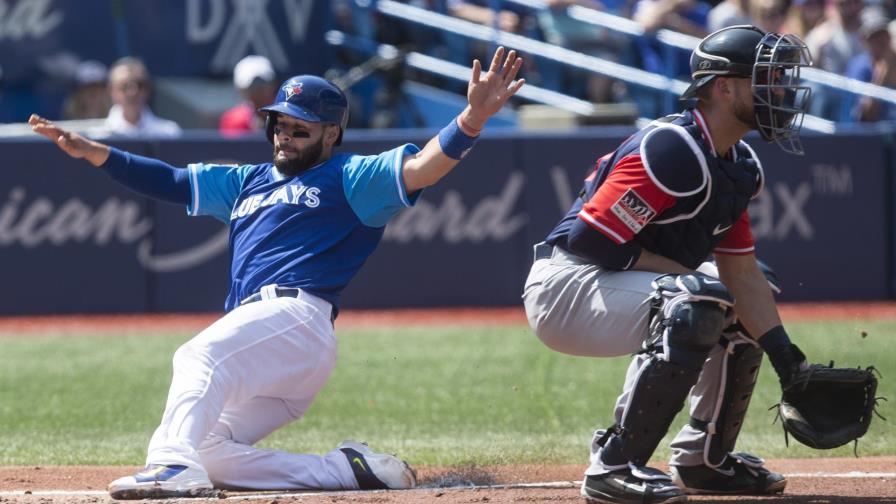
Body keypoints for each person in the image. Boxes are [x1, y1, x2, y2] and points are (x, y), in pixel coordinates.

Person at [31, 47, 524, 500]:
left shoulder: (349, 176)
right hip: (276, 347)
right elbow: (172, 181)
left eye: (300, 129)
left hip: (297, 315)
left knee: (197, 356)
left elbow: (421, 168)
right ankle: (347, 472)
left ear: (331, 134)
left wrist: (472, 118)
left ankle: (169, 465)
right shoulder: (248, 181)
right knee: (209, 450)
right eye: (279, 125)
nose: (285, 137)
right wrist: (96, 152)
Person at [523, 26, 813, 504]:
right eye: (766, 78)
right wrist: (686, 277)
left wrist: (790, 364)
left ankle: (705, 460)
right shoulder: (672, 148)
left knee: (731, 290)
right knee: (698, 298)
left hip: (622, 280)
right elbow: (590, 239)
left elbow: (743, 274)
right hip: (567, 285)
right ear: (724, 87)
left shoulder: (739, 163)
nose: (778, 89)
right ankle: (613, 466)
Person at [101, 57, 181, 137]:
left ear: (148, 89)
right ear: (111, 90)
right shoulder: (98, 134)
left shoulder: (170, 132)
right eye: (124, 86)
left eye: (140, 85)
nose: (133, 92)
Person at [846, 8, 896, 121]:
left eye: (883, 33)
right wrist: (883, 72)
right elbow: (865, 116)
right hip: (872, 135)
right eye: (874, 36)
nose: (881, 40)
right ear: (863, 40)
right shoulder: (860, 66)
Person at [219, 55, 279, 136]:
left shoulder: (288, 116)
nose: (257, 91)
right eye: (252, 87)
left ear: (273, 85)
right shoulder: (233, 120)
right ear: (241, 90)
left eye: (262, 84)